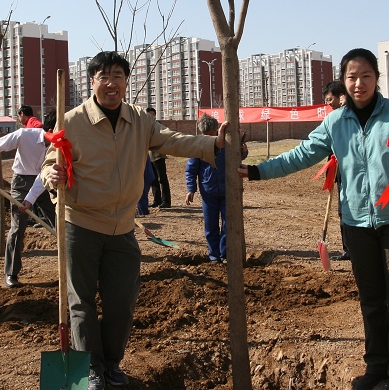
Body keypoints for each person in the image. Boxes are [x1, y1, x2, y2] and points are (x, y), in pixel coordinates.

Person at [238, 48, 389, 390]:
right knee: (371, 300)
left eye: (366, 76)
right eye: (352, 77)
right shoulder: (335, 121)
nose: (359, 83)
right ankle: (377, 368)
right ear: (344, 80)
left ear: (376, 78)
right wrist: (257, 171)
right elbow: (302, 154)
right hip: (356, 223)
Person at [40, 51, 228, 390]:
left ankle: (111, 363)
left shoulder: (139, 119)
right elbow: (50, 161)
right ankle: (91, 368)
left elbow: (172, 140)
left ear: (126, 81)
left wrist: (212, 144)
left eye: (118, 76)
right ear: (92, 82)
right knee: (80, 303)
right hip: (80, 223)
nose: (111, 83)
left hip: (123, 227)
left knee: (122, 302)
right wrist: (51, 175)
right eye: (104, 76)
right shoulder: (72, 121)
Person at [2, 109, 56, 289]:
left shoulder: (59, 145)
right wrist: (28, 198)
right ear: (49, 130)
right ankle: (11, 273)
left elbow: (44, 176)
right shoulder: (25, 135)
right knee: (18, 226)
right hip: (21, 182)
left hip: (44, 182)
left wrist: (32, 197)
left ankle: (73, 268)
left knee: (60, 222)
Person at [185, 114, 248, 263]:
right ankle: (214, 255)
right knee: (210, 225)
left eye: (212, 134)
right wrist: (191, 189)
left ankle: (225, 254)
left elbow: (241, 155)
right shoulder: (198, 147)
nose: (209, 138)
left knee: (228, 224)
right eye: (205, 135)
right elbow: (191, 170)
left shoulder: (227, 143)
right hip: (208, 193)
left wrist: (242, 147)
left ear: (217, 131)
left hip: (228, 191)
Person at [323, 80, 350, 261]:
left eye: (330, 99)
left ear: (342, 97)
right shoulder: (333, 119)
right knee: (343, 210)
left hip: (353, 172)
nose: (328, 104)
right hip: (340, 171)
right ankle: (348, 249)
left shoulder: (351, 116)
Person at [146, 107, 172, 208]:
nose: (151, 117)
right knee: (153, 179)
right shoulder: (144, 126)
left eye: (153, 115)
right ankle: (157, 200)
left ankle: (166, 201)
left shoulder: (158, 125)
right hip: (149, 156)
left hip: (158, 156)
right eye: (149, 115)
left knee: (162, 178)